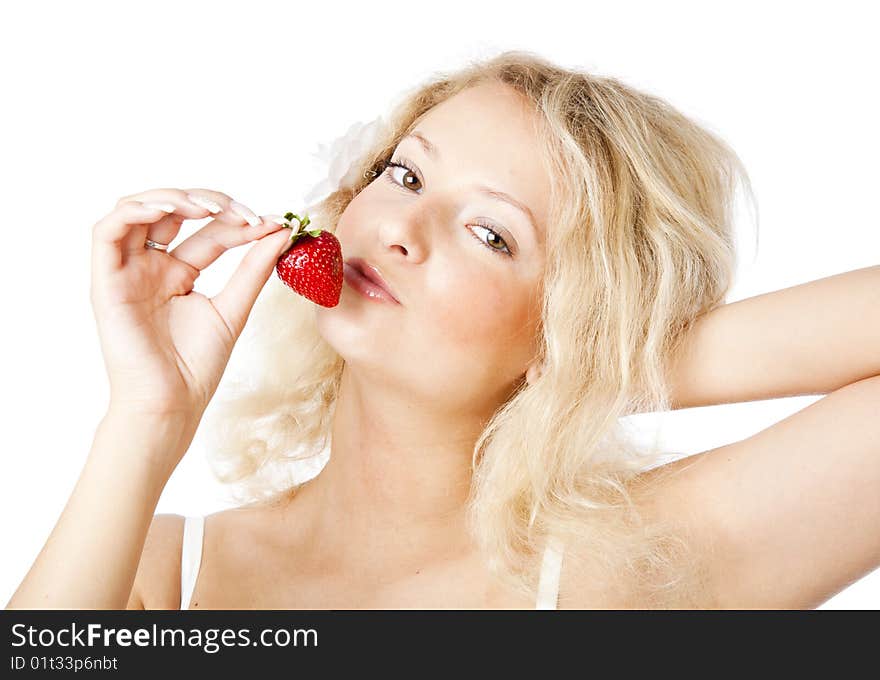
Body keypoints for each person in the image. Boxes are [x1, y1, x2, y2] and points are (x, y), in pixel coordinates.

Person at [7, 50, 880, 610]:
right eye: (405, 173)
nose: (397, 226)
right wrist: (146, 418)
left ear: (571, 314)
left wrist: (585, 365)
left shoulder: (644, 570)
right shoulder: (164, 571)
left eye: (491, 232)